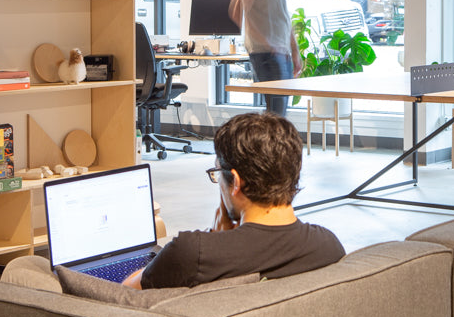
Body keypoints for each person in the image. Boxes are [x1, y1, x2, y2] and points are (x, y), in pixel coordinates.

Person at [123, 112, 344, 289]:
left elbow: (126, 293)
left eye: (217, 173)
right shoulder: (328, 247)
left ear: (236, 181)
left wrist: (213, 240)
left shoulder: (194, 254)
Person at [230, 0, 303, 116]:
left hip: (282, 51)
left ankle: (271, 146)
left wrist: (294, 51)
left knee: (279, 111)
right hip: (265, 53)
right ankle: (264, 146)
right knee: (276, 113)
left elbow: (283, 15)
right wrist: (267, 43)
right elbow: (237, 11)